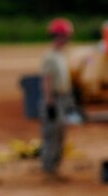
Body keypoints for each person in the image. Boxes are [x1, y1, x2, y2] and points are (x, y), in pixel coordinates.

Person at [39, 17, 74, 182]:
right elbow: (47, 80)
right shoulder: (51, 56)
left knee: (60, 134)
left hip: (63, 98)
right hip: (53, 100)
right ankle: (49, 168)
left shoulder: (61, 55)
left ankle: (55, 166)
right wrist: (50, 103)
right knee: (51, 134)